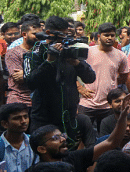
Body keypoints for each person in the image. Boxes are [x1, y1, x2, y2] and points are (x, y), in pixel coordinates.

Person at [24, 16, 96, 145]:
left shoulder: (70, 52)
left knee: (68, 156)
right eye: (60, 36)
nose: (63, 40)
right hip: (43, 119)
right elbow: (30, 82)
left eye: (66, 36)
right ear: (48, 33)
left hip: (69, 118)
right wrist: (49, 61)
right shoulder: (35, 54)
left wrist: (77, 63)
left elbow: (90, 77)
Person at [31, 94, 130, 172]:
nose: (63, 139)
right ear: (41, 149)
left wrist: (123, 116)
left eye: (62, 136)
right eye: (55, 138)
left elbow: (112, 142)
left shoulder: (74, 157)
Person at [0, 103, 33, 172]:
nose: (23, 121)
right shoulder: (1, 146)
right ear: (5, 124)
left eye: (25, 117)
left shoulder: (34, 143)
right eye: (17, 118)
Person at [5, 19, 40, 106]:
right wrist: (41, 73)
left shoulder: (42, 52)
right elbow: (19, 78)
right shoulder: (13, 52)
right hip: (20, 99)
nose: (38, 37)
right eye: (35, 34)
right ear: (24, 34)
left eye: (40, 34)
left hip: (39, 100)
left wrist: (27, 74)